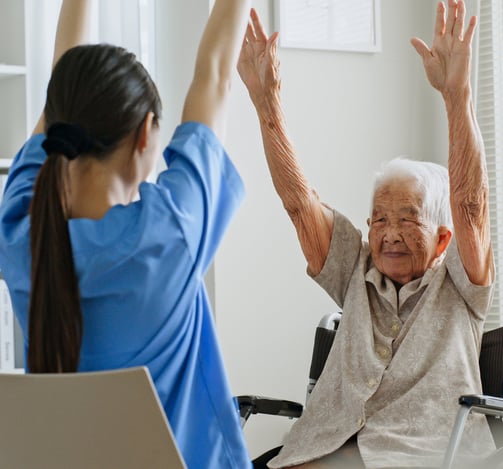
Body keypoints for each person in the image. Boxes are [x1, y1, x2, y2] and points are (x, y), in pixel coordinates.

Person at [238, 2, 495, 468]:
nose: (389, 234)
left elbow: (471, 207)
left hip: (427, 455)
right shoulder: (356, 268)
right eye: (379, 219)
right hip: (324, 450)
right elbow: (300, 205)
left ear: (441, 240)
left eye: (407, 218)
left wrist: (457, 97)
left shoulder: (461, 284)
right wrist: (266, 102)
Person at [0, 0, 253, 468]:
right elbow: (214, 76)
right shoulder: (169, 233)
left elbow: (66, 82)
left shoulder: (20, 236)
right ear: (146, 134)